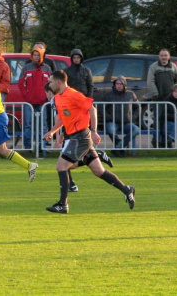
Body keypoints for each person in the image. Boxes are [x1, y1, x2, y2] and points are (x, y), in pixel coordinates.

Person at [43, 71, 135, 214]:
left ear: (59, 82)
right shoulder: (59, 98)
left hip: (80, 137)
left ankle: (63, 204)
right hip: (76, 137)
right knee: (99, 171)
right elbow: (62, 120)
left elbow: (92, 109)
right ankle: (126, 189)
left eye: (51, 81)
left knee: (61, 166)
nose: (49, 84)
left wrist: (93, 130)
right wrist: (54, 132)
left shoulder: (73, 94)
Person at [44, 82, 114, 192]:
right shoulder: (61, 97)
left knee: (64, 162)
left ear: (49, 92)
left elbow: (59, 118)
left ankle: (68, 192)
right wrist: (60, 134)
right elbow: (64, 118)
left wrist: (56, 134)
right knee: (65, 161)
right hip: (70, 131)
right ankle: (71, 185)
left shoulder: (56, 99)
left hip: (76, 132)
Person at [18, 47, 52, 149]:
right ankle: (28, 147)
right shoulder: (26, 67)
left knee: (43, 125)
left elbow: (50, 84)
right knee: (28, 124)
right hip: (29, 102)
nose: (36, 57)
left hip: (42, 102)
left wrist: (47, 96)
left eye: (38, 55)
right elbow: (21, 83)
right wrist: (26, 95)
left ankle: (42, 147)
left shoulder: (47, 68)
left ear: (42, 56)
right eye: (34, 55)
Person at [147, 48, 177, 147]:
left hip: (171, 100)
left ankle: (167, 141)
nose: (164, 57)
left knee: (168, 120)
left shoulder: (174, 67)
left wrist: (175, 93)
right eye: (162, 55)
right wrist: (156, 94)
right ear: (159, 56)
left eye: (165, 55)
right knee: (157, 120)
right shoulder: (153, 67)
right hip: (158, 99)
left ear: (169, 56)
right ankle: (156, 141)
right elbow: (150, 82)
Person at [102, 76, 140, 156]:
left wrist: (133, 117)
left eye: (121, 84)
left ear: (124, 85)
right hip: (112, 121)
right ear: (114, 84)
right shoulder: (108, 94)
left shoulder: (130, 94)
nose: (119, 86)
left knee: (136, 130)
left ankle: (118, 147)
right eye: (117, 84)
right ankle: (120, 148)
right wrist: (108, 117)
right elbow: (101, 108)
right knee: (110, 130)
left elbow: (138, 107)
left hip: (126, 122)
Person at [159, 84, 177, 155]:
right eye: (175, 91)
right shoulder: (167, 101)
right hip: (168, 124)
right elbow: (164, 115)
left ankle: (172, 137)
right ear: (172, 92)